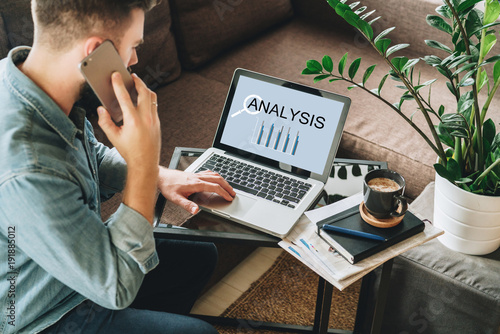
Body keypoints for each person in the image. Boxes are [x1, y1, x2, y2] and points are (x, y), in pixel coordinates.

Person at [0, 0, 236, 333]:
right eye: (134, 46)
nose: (135, 60)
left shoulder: (26, 84)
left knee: (199, 258)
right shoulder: (28, 166)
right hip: (41, 314)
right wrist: (141, 165)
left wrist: (157, 175)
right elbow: (116, 288)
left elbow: (90, 155)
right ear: (96, 51)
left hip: (69, 269)